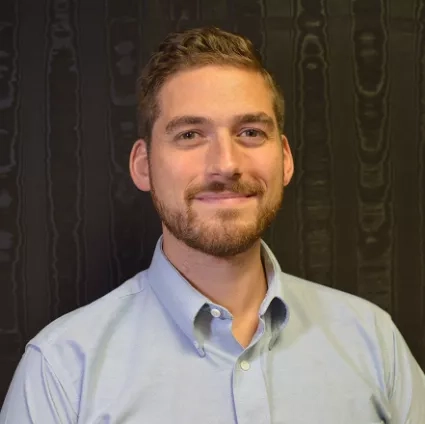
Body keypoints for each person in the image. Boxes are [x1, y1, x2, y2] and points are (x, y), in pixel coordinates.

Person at [1, 26, 424, 424]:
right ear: (143, 165)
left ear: (286, 159)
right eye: (189, 135)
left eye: (251, 132)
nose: (226, 164)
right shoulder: (60, 371)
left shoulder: (373, 341)